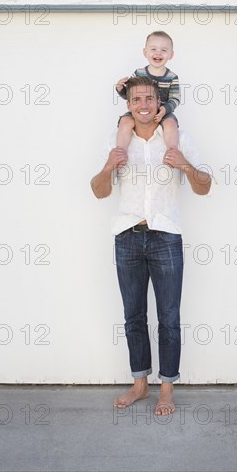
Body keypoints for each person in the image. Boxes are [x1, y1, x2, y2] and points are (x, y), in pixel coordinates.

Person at [91, 76, 211, 416]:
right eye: (136, 99)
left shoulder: (178, 139)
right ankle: (140, 384)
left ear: (159, 103)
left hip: (166, 236)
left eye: (149, 98)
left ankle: (167, 389)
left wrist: (184, 165)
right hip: (127, 236)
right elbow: (99, 190)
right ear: (128, 105)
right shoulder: (118, 142)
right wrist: (109, 166)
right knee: (133, 316)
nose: (143, 104)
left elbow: (204, 186)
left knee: (169, 318)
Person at [115, 31, 180, 151]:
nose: (158, 53)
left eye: (164, 50)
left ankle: (173, 151)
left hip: (162, 112)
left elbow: (175, 99)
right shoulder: (138, 73)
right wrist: (120, 89)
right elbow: (130, 95)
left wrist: (164, 110)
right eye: (153, 49)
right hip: (141, 111)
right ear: (145, 52)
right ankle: (120, 152)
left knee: (171, 124)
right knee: (125, 121)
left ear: (171, 54)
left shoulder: (172, 77)